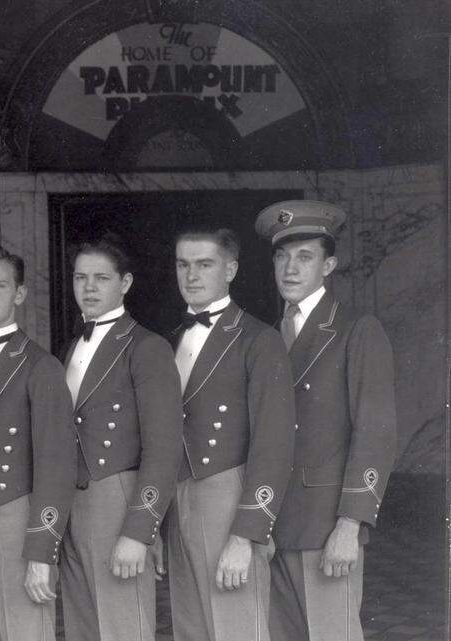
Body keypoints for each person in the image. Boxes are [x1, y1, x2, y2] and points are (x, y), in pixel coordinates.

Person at [256, 201, 397, 641]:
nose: (290, 268)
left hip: (324, 526)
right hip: (271, 527)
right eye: (282, 256)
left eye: (305, 257)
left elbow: (375, 432)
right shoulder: (265, 337)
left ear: (329, 264)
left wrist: (350, 525)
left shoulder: (357, 330)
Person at [168, 228, 296, 641]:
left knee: (236, 627)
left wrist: (247, 533)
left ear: (231, 269)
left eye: (204, 264)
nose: (191, 275)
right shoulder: (173, 339)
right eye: (183, 264)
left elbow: (273, 444)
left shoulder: (258, 339)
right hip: (178, 496)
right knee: (191, 627)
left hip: (229, 495)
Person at [58, 234, 184, 641]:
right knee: (82, 625)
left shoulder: (147, 347)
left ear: (125, 283)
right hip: (72, 501)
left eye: (101, 278)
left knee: (123, 626)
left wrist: (139, 530)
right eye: (80, 278)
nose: (88, 288)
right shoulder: (73, 346)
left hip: (117, 498)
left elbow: (163, 447)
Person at [0, 243, 75, 641]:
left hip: (19, 521)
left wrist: (42, 551)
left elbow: (56, 466)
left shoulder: (41, 366)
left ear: (19, 294)